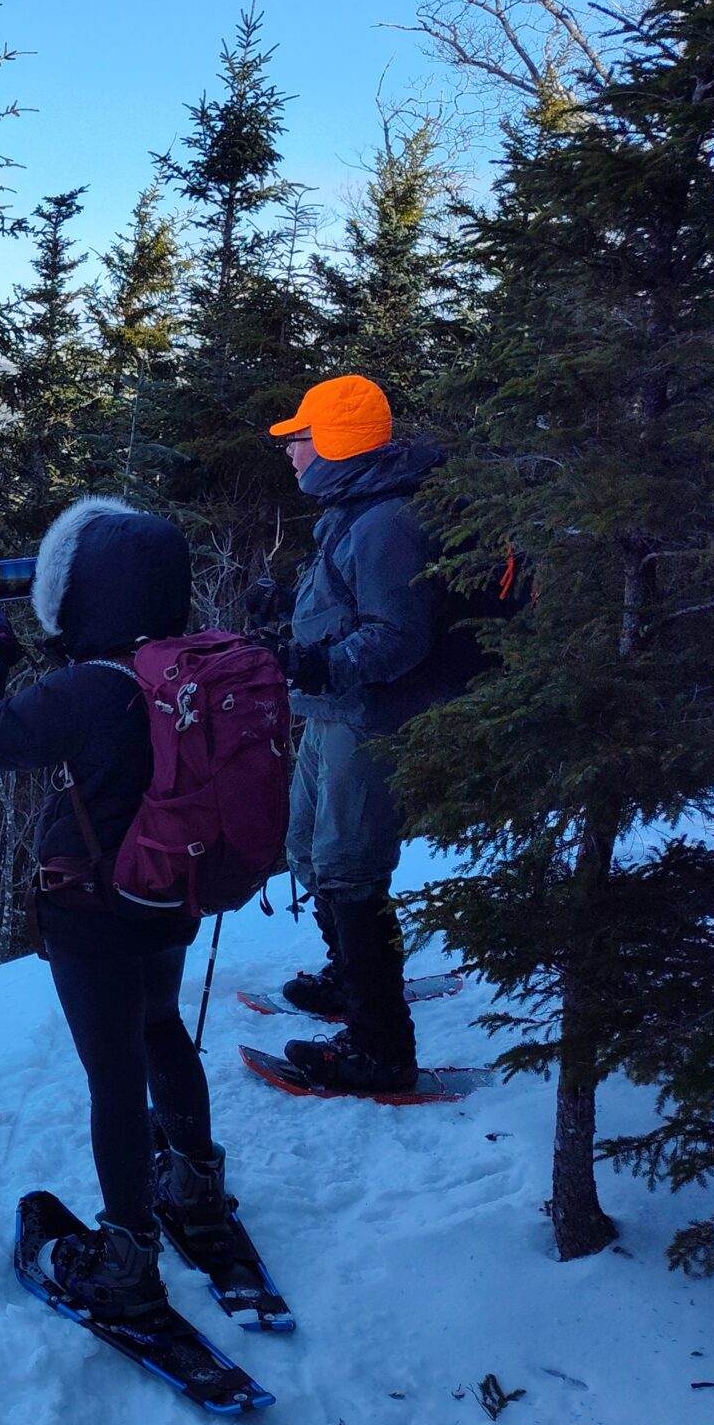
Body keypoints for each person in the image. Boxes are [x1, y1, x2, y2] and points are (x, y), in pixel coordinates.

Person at [0, 496, 232, 1322]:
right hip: (170, 891)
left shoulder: (88, 689)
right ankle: (197, 1184)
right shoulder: (190, 672)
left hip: (90, 906)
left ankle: (128, 1256)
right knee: (161, 1027)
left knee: (114, 1074)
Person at [261, 374, 452, 1093]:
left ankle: (382, 1049)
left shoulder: (384, 522)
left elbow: (399, 637)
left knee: (349, 864)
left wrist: (316, 659)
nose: (292, 451)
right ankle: (349, 978)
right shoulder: (355, 507)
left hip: (369, 718)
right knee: (309, 846)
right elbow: (352, 603)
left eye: (300, 438)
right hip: (332, 709)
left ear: (335, 442)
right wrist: (291, 608)